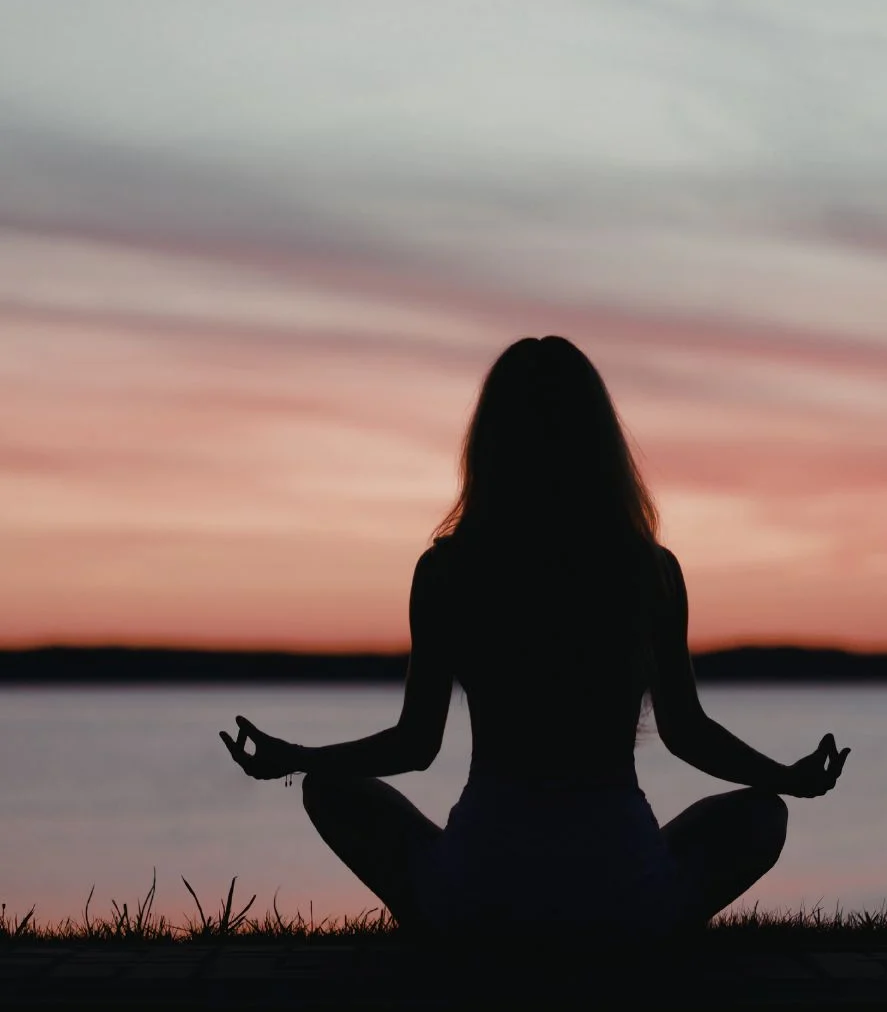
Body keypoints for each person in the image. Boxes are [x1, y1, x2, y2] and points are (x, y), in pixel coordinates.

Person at [220, 336, 850, 939]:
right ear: (602, 442)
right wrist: (784, 777)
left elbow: (415, 744)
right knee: (763, 814)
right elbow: (687, 732)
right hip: (623, 894)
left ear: (489, 442)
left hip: (478, 893)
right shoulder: (649, 570)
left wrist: (296, 757)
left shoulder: (447, 571)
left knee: (327, 787)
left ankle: (455, 928)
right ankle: (639, 930)